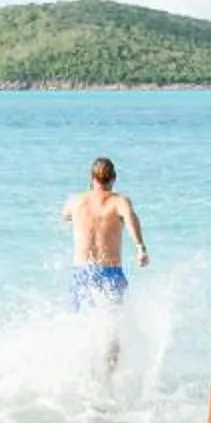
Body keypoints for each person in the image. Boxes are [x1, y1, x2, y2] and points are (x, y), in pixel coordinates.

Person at [62, 157, 147, 378]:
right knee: (112, 331)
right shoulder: (119, 202)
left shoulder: (76, 201)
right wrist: (140, 247)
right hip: (110, 273)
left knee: (82, 326)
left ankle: (83, 375)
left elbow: (65, 215)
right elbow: (131, 219)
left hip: (82, 272)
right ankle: (107, 378)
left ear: (91, 179)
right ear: (114, 179)